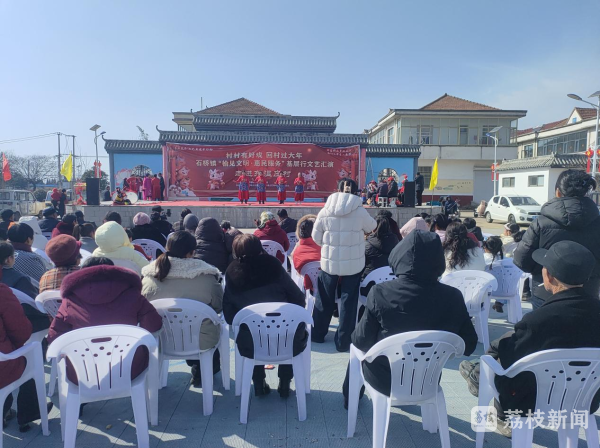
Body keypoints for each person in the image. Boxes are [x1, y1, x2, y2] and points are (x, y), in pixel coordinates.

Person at [461, 241, 600, 436]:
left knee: (500, 357)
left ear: (548, 275)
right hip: (586, 402)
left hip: (534, 403)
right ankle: (477, 374)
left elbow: (509, 363)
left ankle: (485, 389)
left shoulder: (537, 320)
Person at [342, 230, 478, 406]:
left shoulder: (380, 293)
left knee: (356, 352)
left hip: (385, 380)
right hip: (428, 380)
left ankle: (350, 400)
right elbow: (469, 345)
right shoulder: (453, 297)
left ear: (399, 256)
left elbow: (361, 341)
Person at [47, 264, 163, 383]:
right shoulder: (133, 294)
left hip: (83, 373)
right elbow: (154, 325)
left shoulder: (70, 300)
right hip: (129, 369)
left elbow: (54, 336)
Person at [223, 234, 307, 397]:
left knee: (251, 331)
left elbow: (229, 314)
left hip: (250, 343)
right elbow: (298, 298)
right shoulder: (274, 265)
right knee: (290, 329)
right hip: (286, 338)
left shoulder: (232, 272)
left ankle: (258, 383)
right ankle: (284, 382)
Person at [141, 231, 223, 386]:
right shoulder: (207, 276)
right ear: (191, 252)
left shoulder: (149, 277)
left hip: (161, 339)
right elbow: (218, 306)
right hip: (200, 340)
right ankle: (203, 370)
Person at [514, 169, 600, 310]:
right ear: (586, 194)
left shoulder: (541, 223)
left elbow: (521, 259)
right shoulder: (597, 222)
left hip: (546, 292)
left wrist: (546, 268)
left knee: (545, 324)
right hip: (588, 292)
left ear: (558, 192)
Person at [311, 178, 377, 352]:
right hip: (353, 264)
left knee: (324, 298)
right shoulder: (360, 210)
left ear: (338, 189)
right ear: (355, 191)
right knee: (349, 302)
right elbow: (372, 226)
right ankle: (343, 341)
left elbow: (316, 237)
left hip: (329, 262)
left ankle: (317, 334)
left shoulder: (325, 210)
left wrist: (328, 246)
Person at [0, 284, 53, 433]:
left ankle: (4, 410)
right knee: (31, 355)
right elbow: (22, 332)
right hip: (4, 370)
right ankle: (30, 412)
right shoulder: (2, 292)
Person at [0, 242, 49, 332]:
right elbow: (34, 306)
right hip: (20, 325)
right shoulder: (20, 279)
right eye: (14, 255)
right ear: (8, 260)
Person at [362, 214, 399, 281]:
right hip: (391, 277)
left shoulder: (366, 244)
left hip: (370, 279)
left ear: (373, 228)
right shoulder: (396, 241)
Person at [291, 215, 320, 292]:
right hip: (332, 289)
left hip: (309, 289)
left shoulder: (297, 253)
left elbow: (298, 272)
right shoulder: (327, 249)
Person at [482, 236, 506, 312]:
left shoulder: (482, 259)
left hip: (485, 291)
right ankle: (500, 302)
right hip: (505, 291)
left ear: (485, 247)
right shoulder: (507, 260)